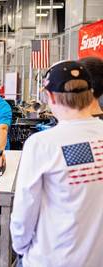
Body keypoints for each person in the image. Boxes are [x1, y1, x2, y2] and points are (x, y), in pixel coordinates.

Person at [10, 61, 103, 267]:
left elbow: (25, 209)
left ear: (50, 97)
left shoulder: (43, 144)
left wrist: (21, 248)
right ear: (91, 93)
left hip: (50, 258)